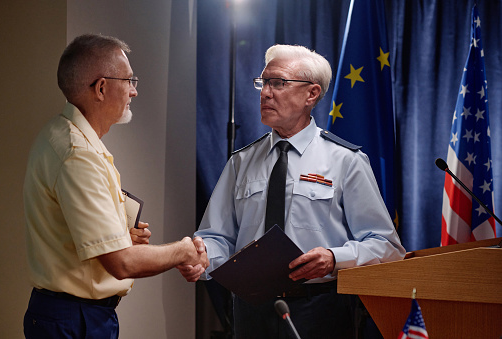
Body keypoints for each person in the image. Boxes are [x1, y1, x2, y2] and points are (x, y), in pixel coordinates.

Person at [178, 44, 405, 338]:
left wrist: (334, 258)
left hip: (320, 308)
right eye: (263, 83)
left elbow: (386, 247)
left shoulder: (346, 161)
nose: (265, 93)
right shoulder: (241, 162)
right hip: (251, 309)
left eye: (278, 83)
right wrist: (202, 257)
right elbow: (217, 236)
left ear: (311, 94)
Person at [23, 34, 209, 338]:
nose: (134, 91)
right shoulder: (78, 155)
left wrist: (120, 235)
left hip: (68, 315)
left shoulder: (61, 133)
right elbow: (121, 263)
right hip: (75, 320)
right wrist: (185, 250)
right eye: (130, 80)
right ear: (101, 87)